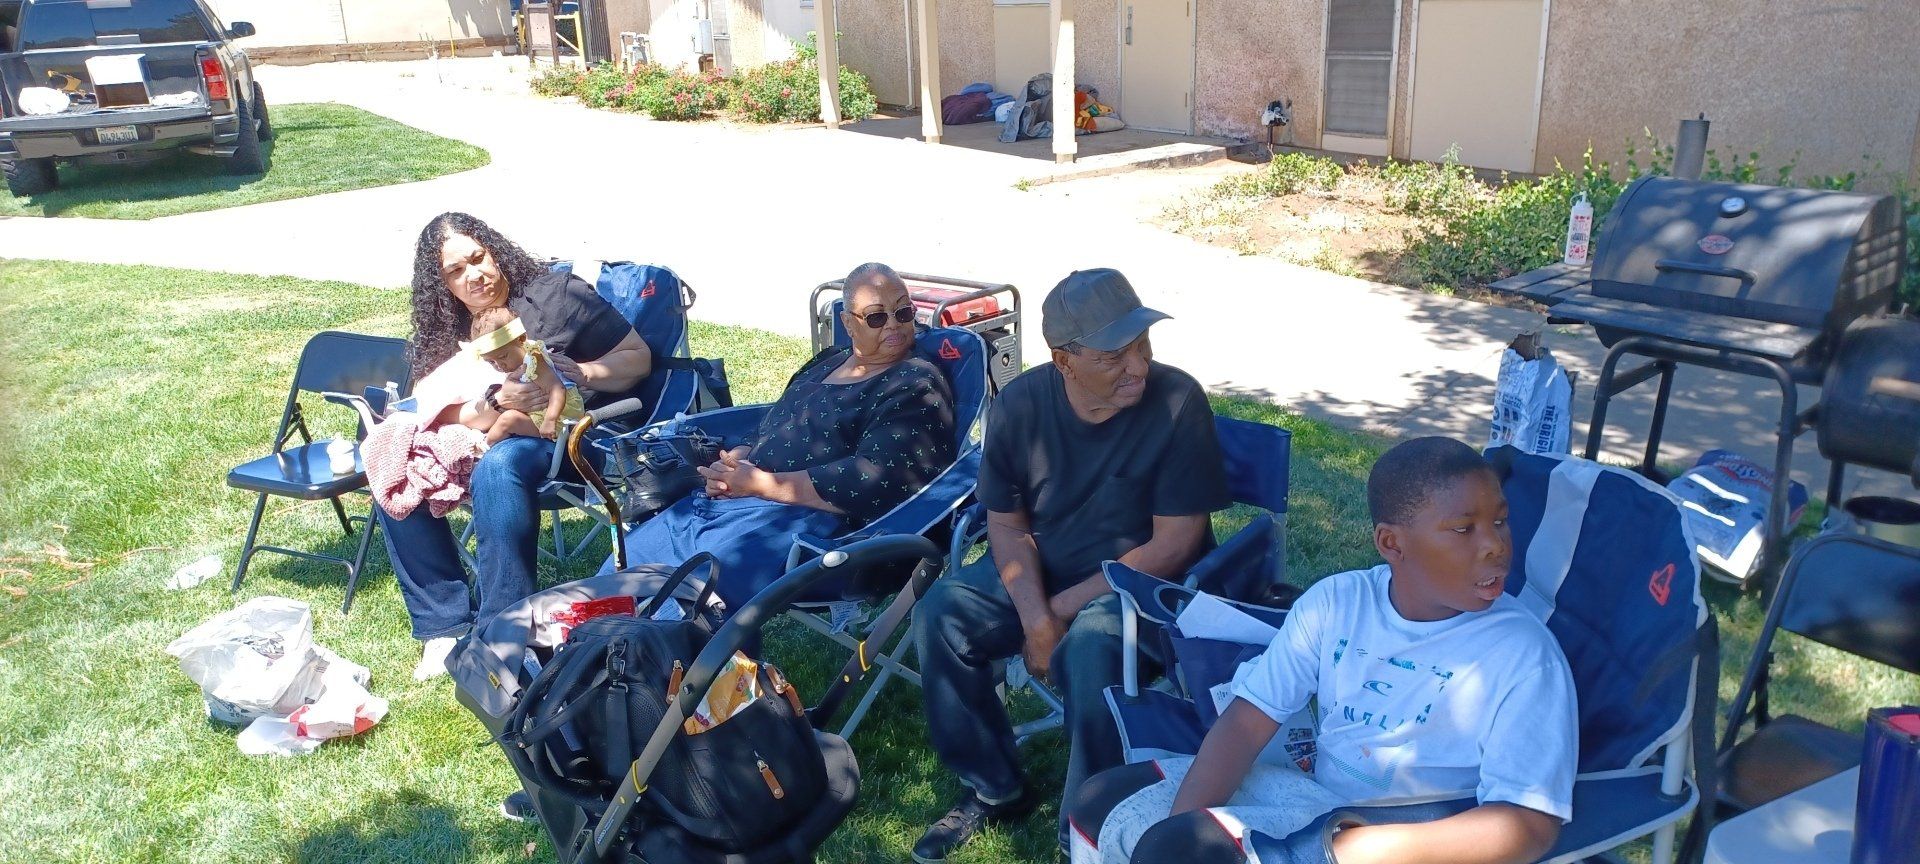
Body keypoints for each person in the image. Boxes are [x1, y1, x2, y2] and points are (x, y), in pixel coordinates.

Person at [1066, 437, 1579, 864]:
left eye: (1500, 521)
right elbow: (1247, 722)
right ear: (1391, 544)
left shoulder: (1523, 655)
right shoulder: (1339, 602)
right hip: (1317, 804)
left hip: (1413, 835)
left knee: (1181, 850)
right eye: (1465, 529)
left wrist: (1351, 850)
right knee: (1104, 803)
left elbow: (1531, 824)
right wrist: (1178, 825)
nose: (1495, 545)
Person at [910, 268, 1230, 864]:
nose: (1138, 366)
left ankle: (1086, 828)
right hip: (1043, 566)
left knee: (1090, 646)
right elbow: (1007, 524)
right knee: (940, 615)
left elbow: (1175, 545)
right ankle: (994, 786)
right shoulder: (1021, 405)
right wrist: (1035, 616)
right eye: (1115, 355)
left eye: (1144, 346)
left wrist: (1052, 614)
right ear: (1064, 359)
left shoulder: (1178, 401)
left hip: (1148, 588)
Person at [380, 212, 652, 682]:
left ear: (494, 250)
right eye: (455, 271)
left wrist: (571, 375)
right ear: (441, 284)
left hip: (572, 435)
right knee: (397, 461)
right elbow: (431, 407)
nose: (475, 276)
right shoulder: (446, 331)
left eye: (478, 258)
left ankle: (500, 630)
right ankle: (442, 625)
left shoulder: (558, 295)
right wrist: (490, 404)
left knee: (500, 463)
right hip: (477, 434)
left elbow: (638, 359)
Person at [595, 262, 957, 612]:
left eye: (903, 313)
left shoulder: (913, 382)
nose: (894, 325)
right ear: (848, 323)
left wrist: (762, 485)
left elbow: (876, 478)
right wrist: (740, 454)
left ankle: (651, 667)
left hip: (810, 527)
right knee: (621, 568)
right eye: (877, 317)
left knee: (691, 595)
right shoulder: (831, 360)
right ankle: (572, 653)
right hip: (734, 502)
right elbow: (779, 420)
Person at [461, 306, 584, 444]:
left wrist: (550, 420)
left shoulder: (534, 360)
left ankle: (484, 446)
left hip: (562, 419)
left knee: (508, 420)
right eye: (491, 362)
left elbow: (557, 389)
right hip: (545, 414)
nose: (499, 365)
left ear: (521, 339)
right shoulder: (522, 359)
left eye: (503, 356)